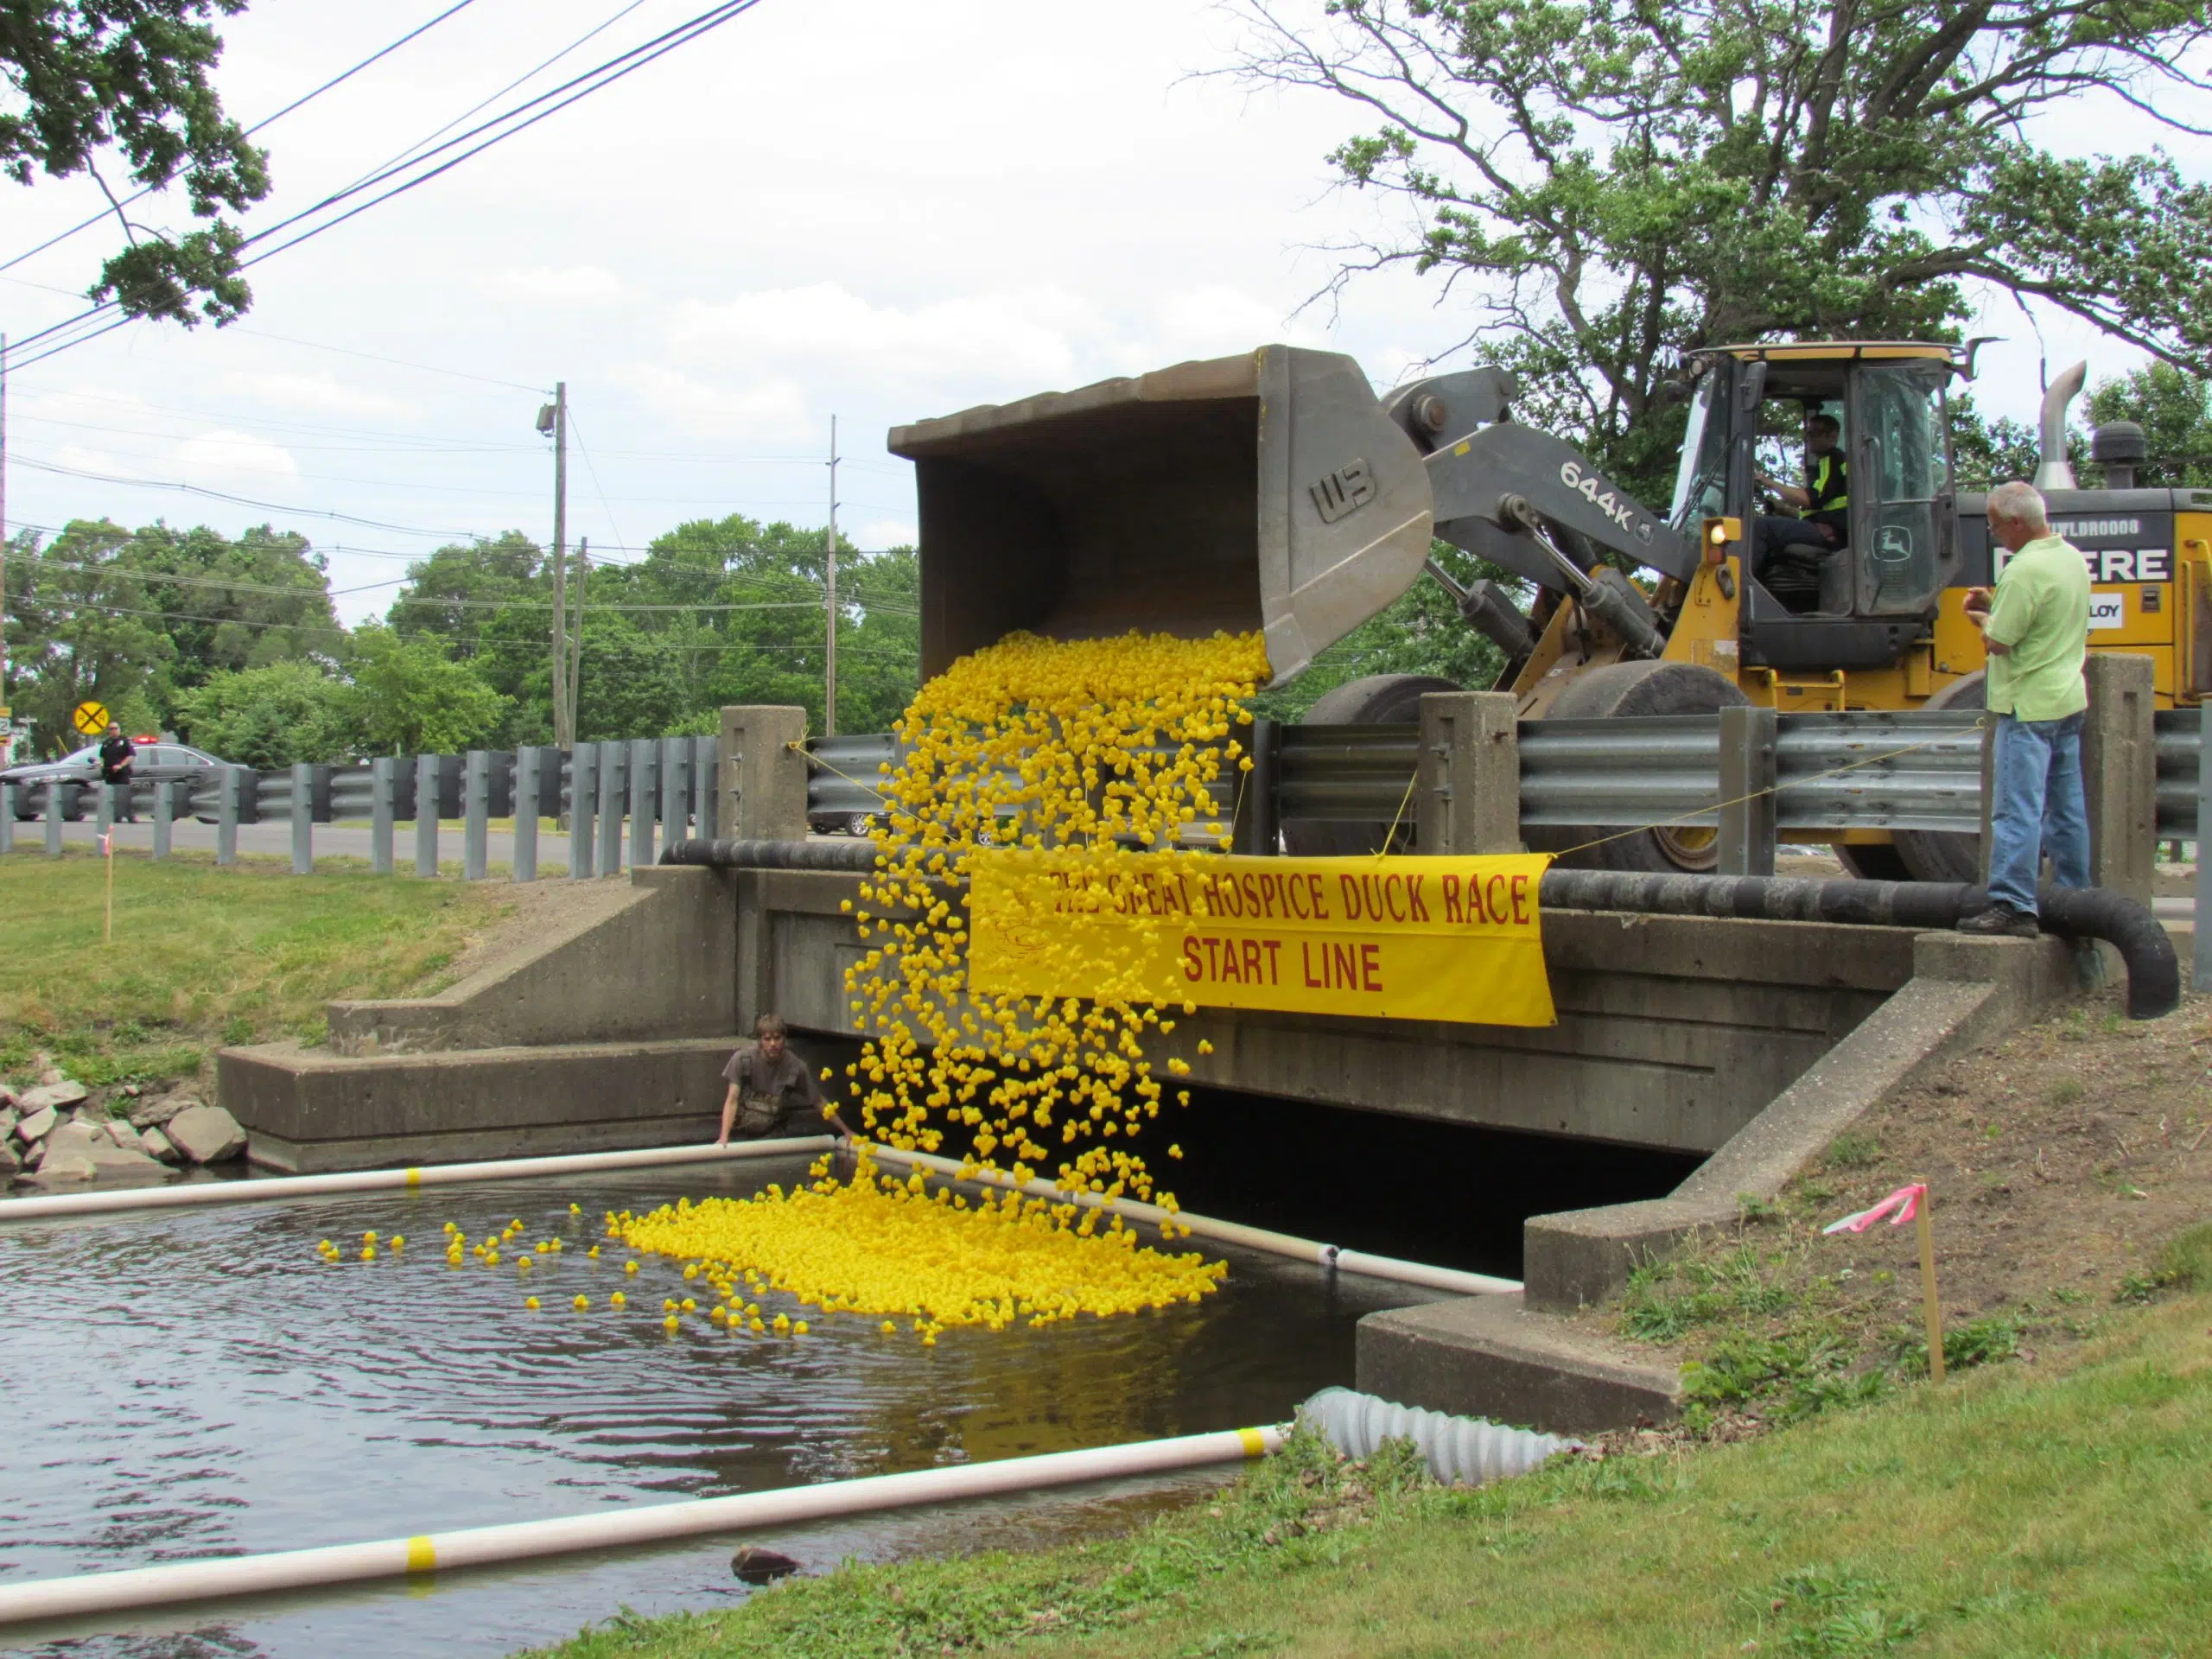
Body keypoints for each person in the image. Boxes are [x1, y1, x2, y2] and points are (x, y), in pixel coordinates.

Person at [1956, 480, 2091, 937]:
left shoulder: (2023, 570)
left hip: (2027, 707)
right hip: (2067, 700)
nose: (1996, 534)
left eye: (1996, 526)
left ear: (2017, 522)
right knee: (2067, 811)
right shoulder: (2071, 559)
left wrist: (1983, 617)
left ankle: (2014, 905)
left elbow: (1999, 641)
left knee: (2017, 809)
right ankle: (2076, 901)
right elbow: (2043, 621)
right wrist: (1999, 608)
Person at [1753, 413, 1849, 607]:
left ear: (1833, 436)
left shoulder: (1834, 459)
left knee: (1758, 527)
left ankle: (1744, 591)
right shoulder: (1825, 463)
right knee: (1765, 524)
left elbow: (1809, 500)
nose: (1809, 439)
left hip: (1833, 533)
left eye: (1815, 434)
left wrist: (1767, 481)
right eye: (1807, 433)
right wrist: (1779, 507)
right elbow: (1816, 508)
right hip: (1825, 526)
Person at [716, 1013, 855, 1145]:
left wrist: (846, 1130)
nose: (773, 1044)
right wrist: (724, 1137)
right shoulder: (742, 1060)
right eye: (767, 1039)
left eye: (777, 1038)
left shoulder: (796, 1067)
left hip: (772, 1137)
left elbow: (818, 1101)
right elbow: (732, 1100)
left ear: (784, 1039)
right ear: (760, 1041)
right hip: (740, 1136)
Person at [98, 721, 137, 823]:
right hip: (109, 775)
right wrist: (101, 764)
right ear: (109, 731)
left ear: (119, 729)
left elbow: (131, 755)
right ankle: (116, 815)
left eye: (116, 728)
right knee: (112, 796)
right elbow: (102, 756)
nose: (114, 730)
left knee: (124, 795)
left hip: (122, 774)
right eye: (111, 729)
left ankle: (130, 816)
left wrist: (120, 765)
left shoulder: (124, 741)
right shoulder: (106, 743)